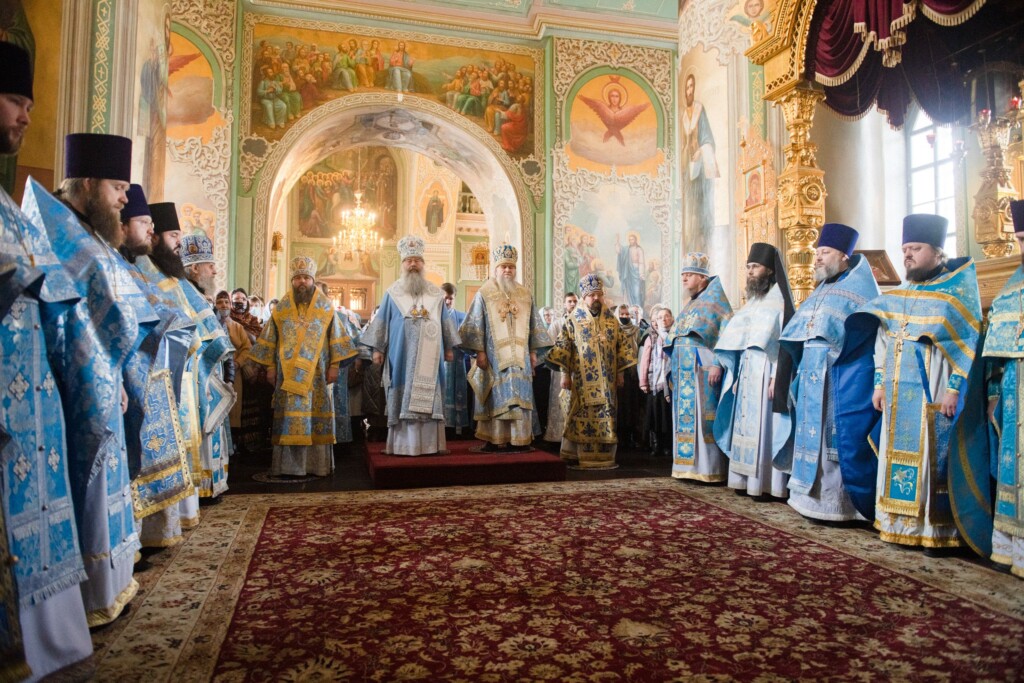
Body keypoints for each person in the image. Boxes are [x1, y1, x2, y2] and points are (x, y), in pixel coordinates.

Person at [0, 42, 93, 678]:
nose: (26, 116)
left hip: (30, 392)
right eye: (15, 101)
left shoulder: (9, 207)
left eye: (31, 103)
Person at [49, 132, 160, 626]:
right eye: (118, 188)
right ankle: (87, 593)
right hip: (73, 379)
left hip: (102, 374)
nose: (123, 198)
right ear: (89, 184)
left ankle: (107, 584)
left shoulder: (93, 238)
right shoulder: (61, 235)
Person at [836, 215, 982, 552]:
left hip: (933, 389)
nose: (907, 255)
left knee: (932, 457)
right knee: (895, 454)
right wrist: (879, 385)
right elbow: (882, 343)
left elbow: (968, 344)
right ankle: (896, 524)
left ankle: (931, 531)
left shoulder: (954, 296)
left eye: (915, 248)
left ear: (937, 251)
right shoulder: (899, 294)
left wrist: (953, 390)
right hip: (898, 393)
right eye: (904, 249)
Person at [776, 224, 879, 522]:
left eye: (824, 252)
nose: (817, 258)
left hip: (838, 376)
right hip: (811, 372)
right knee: (812, 435)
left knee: (834, 438)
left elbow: (863, 339)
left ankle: (839, 506)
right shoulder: (821, 289)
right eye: (817, 252)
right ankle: (808, 499)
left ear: (844, 255)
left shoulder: (861, 290)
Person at [117, 187, 198, 547]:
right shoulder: (137, 266)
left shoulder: (155, 269)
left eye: (154, 225)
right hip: (137, 374)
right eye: (145, 223)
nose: (151, 232)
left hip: (160, 372)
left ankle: (155, 531)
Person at [249, 257, 356, 475]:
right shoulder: (281, 309)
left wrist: (334, 365)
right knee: (288, 418)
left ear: (313, 281)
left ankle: (316, 467)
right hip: (286, 377)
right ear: (292, 281)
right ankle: (288, 467)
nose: (302, 282)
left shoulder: (325, 308)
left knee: (314, 418)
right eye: (297, 277)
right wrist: (270, 367)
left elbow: (336, 339)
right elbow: (270, 340)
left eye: (306, 277)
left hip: (317, 376)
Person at [361, 237, 459, 455]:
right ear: (402, 264)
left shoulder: (436, 294)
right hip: (401, 355)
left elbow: (445, 322)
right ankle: (404, 446)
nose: (413, 264)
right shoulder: (392, 293)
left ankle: (431, 446)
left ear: (423, 264)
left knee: (430, 400)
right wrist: (377, 349)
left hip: (431, 359)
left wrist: (450, 348)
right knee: (402, 395)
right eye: (408, 260)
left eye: (417, 260)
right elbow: (382, 321)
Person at [713, 242, 794, 499]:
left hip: (766, 373)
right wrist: (735, 376)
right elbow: (741, 342)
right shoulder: (752, 303)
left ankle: (767, 484)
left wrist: (775, 378)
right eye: (748, 267)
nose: (750, 272)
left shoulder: (779, 302)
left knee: (765, 427)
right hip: (748, 370)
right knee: (747, 427)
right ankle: (745, 480)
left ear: (769, 270)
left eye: (755, 266)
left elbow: (784, 344)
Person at [459, 244, 553, 452]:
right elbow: (474, 325)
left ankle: (519, 440)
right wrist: (480, 352)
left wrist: (533, 353)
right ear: (496, 269)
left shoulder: (525, 294)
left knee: (520, 400)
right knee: (496, 398)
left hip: (520, 359)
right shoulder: (485, 293)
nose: (508, 270)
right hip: (494, 359)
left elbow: (533, 325)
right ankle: (495, 439)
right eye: (504, 267)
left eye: (511, 267)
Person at [546, 274, 637, 469]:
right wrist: (564, 374)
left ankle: (604, 458)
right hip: (581, 381)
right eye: (591, 295)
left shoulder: (612, 321)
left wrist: (620, 373)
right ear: (583, 297)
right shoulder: (573, 320)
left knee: (607, 416)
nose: (596, 298)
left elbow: (622, 347)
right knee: (580, 415)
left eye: (599, 294)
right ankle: (577, 455)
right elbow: (564, 347)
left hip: (608, 382)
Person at [982, 199, 1024, 575]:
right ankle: (1012, 548)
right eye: (1022, 240)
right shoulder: (1011, 289)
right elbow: (995, 354)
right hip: (1015, 392)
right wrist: (995, 393)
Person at [664, 252, 733, 482]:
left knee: (703, 419)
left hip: (702, 369)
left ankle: (708, 469)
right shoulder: (691, 304)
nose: (684, 279)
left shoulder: (715, 301)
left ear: (702, 278)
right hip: (684, 370)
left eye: (689, 274)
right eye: (683, 274)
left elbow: (725, 335)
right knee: (685, 420)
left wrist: (717, 364)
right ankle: (686, 468)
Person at [180, 233, 235, 498]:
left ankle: (211, 485)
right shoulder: (188, 294)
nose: (215, 270)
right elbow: (210, 341)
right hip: (197, 377)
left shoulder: (196, 295)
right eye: (209, 264)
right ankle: (203, 488)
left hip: (208, 374)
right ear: (194, 268)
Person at [681, 73, 719, 252]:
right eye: (687, 87)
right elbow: (683, 144)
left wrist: (700, 152)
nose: (689, 91)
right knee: (691, 215)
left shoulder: (699, 109)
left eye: (691, 87)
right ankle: (693, 246)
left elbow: (708, 138)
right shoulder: (683, 116)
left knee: (702, 212)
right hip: (688, 171)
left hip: (701, 168)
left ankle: (704, 244)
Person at [215, 290, 253, 457]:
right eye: (220, 302)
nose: (223, 306)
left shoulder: (237, 327)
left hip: (235, 371)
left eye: (226, 303)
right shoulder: (212, 324)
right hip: (215, 372)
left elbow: (246, 348)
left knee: (234, 408)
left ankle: (233, 444)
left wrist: (238, 363)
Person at [639, 307, 674, 457]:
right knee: (655, 416)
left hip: (671, 382)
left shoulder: (676, 336)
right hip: (655, 382)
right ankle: (657, 444)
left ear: (672, 319)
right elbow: (645, 361)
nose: (664, 319)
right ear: (656, 321)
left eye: (667, 316)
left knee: (668, 417)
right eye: (660, 317)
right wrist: (643, 381)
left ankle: (668, 445)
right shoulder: (652, 337)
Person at [542, 292, 577, 443]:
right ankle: (557, 436)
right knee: (559, 399)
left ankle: (574, 435)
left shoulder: (582, 322)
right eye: (569, 301)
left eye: (575, 301)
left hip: (577, 369)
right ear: (564, 304)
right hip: (560, 369)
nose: (573, 304)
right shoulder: (557, 324)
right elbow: (549, 347)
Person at [441, 282, 471, 437]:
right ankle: (443, 429)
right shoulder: (434, 317)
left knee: (458, 394)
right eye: (445, 298)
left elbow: (469, 340)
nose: (447, 301)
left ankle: (458, 429)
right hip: (440, 364)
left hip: (458, 363)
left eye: (450, 298)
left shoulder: (462, 317)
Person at [616, 231, 646, 309]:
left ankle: (638, 310)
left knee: (636, 293)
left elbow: (641, 262)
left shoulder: (639, 249)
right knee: (629, 292)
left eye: (632, 239)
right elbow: (619, 251)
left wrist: (641, 274)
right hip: (628, 272)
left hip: (636, 272)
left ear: (636, 240)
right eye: (629, 240)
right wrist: (618, 242)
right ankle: (631, 309)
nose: (631, 241)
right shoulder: (627, 249)